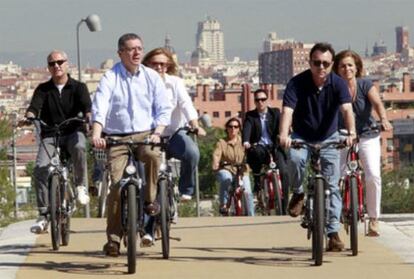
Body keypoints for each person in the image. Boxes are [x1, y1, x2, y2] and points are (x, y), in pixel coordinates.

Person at [91, 33, 172, 256]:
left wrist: (158, 132)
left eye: (139, 48)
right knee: (116, 187)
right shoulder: (110, 77)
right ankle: (114, 240)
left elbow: (163, 109)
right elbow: (100, 107)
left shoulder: (151, 77)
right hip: (117, 138)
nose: (137, 53)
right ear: (120, 53)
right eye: (131, 49)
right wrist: (97, 134)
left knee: (153, 156)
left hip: (146, 134)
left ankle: (149, 200)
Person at [279, 42, 356, 251]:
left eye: (326, 63)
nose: (321, 67)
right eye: (316, 63)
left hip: (329, 138)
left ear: (331, 65)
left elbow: (347, 110)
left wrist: (351, 133)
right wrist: (284, 134)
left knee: (332, 186)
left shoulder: (338, 84)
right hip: (301, 136)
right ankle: (298, 192)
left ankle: (332, 233)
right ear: (310, 63)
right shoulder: (297, 83)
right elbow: (287, 111)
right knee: (294, 160)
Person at [23, 50, 91, 234]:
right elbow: (34, 108)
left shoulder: (79, 87)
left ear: (67, 64)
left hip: (73, 132)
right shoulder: (43, 89)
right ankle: (44, 214)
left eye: (60, 62)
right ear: (48, 67)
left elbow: (87, 108)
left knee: (79, 146)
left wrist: (89, 118)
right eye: (52, 63)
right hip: (50, 135)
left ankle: (80, 186)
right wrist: (30, 117)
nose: (57, 66)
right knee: (40, 168)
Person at [333, 50, 392, 236]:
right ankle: (337, 215)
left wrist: (384, 119)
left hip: (367, 134)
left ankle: (373, 219)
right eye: (342, 65)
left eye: (350, 65)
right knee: (336, 176)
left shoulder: (365, 85)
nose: (346, 69)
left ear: (357, 67)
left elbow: (377, 104)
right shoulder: (332, 87)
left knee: (373, 175)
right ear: (337, 69)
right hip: (342, 135)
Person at [142, 47, 206, 201]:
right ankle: (141, 196)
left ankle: (186, 190)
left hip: (174, 133)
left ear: (169, 66)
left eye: (163, 64)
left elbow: (186, 104)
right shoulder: (141, 83)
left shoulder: (175, 83)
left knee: (192, 153)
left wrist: (195, 125)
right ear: (148, 65)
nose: (159, 67)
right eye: (155, 64)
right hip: (150, 135)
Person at [242, 89, 290, 214]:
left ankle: (285, 206)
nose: (260, 102)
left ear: (267, 100)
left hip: (275, 148)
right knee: (256, 153)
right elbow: (247, 129)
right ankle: (258, 182)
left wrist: (284, 136)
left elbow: (282, 126)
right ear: (255, 102)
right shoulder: (250, 115)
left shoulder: (275, 113)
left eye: (263, 99)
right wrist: (246, 141)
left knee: (284, 172)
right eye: (257, 100)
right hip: (259, 147)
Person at [212, 117, 254, 216]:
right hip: (227, 168)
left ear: (239, 128)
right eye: (230, 126)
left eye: (236, 126)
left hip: (242, 170)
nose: (233, 129)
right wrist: (215, 163)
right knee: (226, 179)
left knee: (248, 192)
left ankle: (252, 216)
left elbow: (251, 153)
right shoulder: (222, 142)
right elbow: (216, 154)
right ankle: (224, 205)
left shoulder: (244, 141)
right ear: (226, 128)